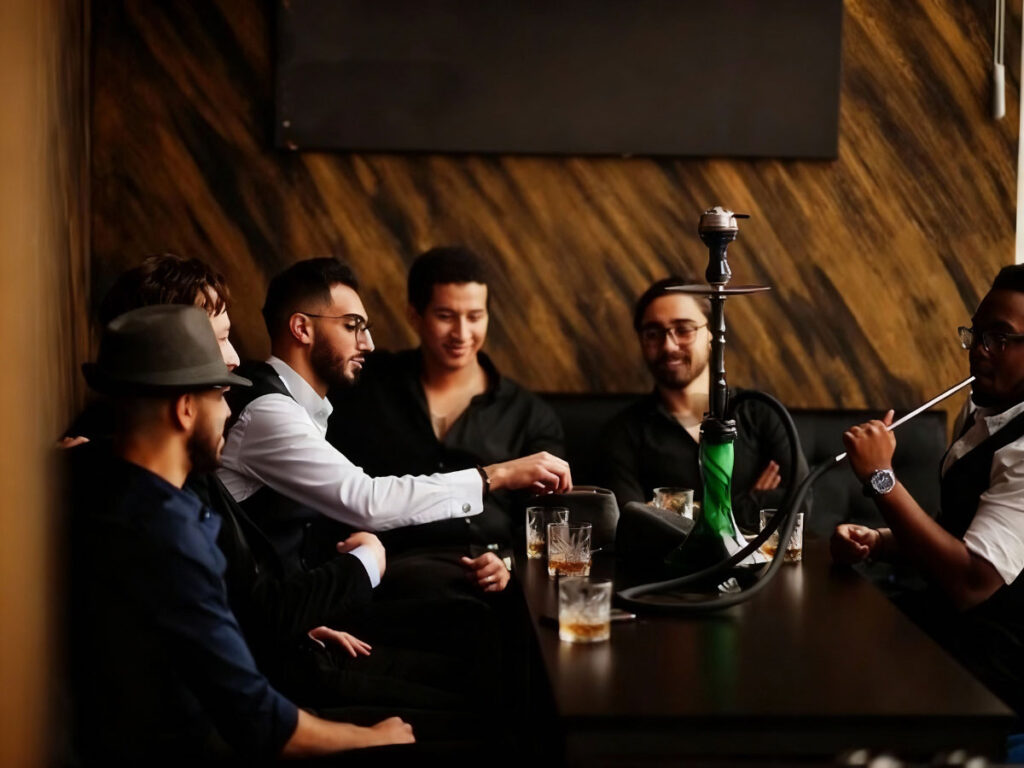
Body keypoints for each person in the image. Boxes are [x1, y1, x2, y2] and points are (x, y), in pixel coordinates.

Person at [69, 253, 493, 715]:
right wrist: (494, 478)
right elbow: (366, 505)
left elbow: (243, 602)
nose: (234, 359)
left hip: (291, 633)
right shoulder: (162, 502)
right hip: (276, 669)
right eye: (221, 338)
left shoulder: (175, 473)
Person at [66, 304, 413, 764]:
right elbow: (260, 722)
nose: (230, 410)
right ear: (186, 408)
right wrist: (372, 738)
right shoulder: (166, 537)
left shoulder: (112, 484)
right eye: (221, 395)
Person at [217, 257, 572, 585]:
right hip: (377, 581)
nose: (367, 343)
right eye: (352, 326)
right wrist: (498, 474)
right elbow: (367, 501)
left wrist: (509, 562)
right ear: (302, 329)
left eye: (475, 316)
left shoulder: (302, 405)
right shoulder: (270, 411)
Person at [831, 264, 1024, 714]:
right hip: (950, 631)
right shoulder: (981, 415)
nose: (978, 350)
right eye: (976, 334)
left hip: (995, 675)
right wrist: (878, 543)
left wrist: (882, 478)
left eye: (1000, 337)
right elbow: (957, 537)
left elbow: (973, 581)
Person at [327, 246, 565, 592]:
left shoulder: (529, 415)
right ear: (414, 315)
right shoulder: (367, 386)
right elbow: (329, 480)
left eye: (474, 316)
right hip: (382, 573)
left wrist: (509, 563)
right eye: (445, 315)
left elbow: (550, 521)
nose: (462, 333)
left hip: (485, 582)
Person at [600, 277, 807, 533]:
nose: (668, 345)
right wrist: (750, 502)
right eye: (653, 333)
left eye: (684, 329)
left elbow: (801, 505)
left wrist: (674, 511)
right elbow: (631, 524)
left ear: (712, 332)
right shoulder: (622, 433)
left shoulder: (761, 412)